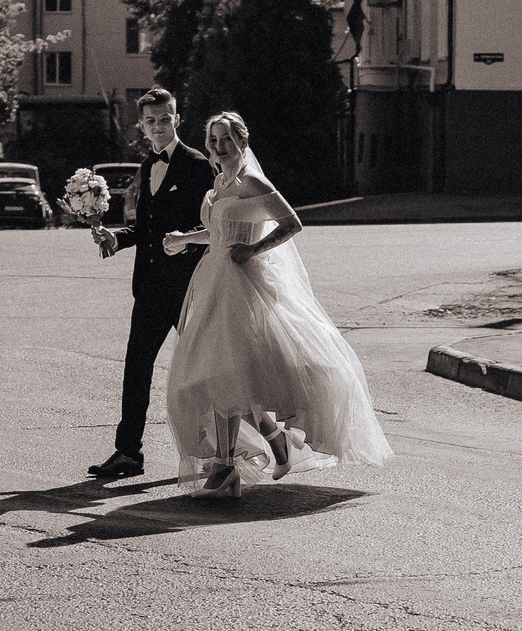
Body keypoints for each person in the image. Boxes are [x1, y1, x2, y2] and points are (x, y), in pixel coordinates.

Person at [161, 111, 393, 497]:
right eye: (214, 140)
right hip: (213, 283)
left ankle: (226, 467)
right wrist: (184, 239)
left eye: (227, 139)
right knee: (213, 375)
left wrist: (253, 249)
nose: (220, 146)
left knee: (227, 373)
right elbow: (219, 232)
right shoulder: (219, 182)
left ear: (242, 141)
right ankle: (267, 442)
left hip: (243, 286)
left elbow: (291, 223)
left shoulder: (252, 181)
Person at [87, 89, 217, 481]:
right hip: (149, 289)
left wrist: (184, 241)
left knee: (204, 370)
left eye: (164, 119)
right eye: (150, 121)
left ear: (177, 119)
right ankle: (128, 453)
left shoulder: (197, 165)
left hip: (188, 289)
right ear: (141, 126)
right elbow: (145, 228)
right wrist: (116, 238)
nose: (158, 126)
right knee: (136, 368)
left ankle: (224, 451)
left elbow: (214, 226)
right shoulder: (146, 167)